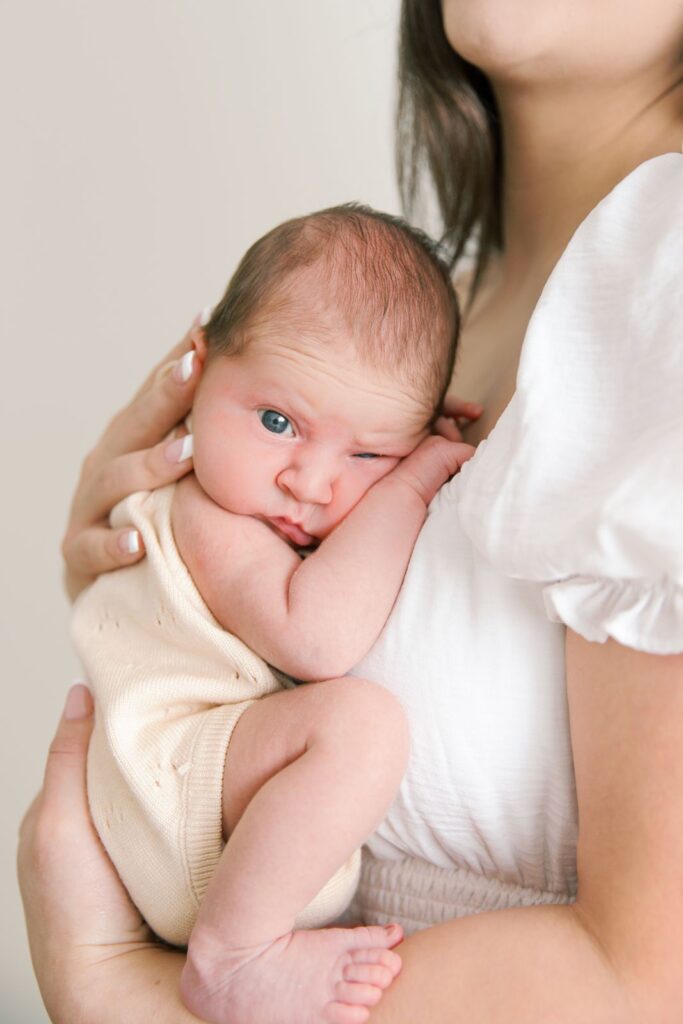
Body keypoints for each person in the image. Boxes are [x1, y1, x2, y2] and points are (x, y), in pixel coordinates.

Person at [19, 0, 683, 1020]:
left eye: (370, 456)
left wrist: (124, 993)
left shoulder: (663, 271)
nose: (316, 472)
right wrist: (147, 586)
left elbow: (649, 980)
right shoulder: (386, 337)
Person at [71, 204, 473, 1024]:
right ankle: (233, 958)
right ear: (198, 366)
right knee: (359, 726)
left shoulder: (253, 501)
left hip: (194, 795)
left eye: (367, 453)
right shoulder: (203, 515)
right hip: (175, 794)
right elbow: (317, 638)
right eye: (278, 421)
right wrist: (407, 480)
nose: (312, 483)